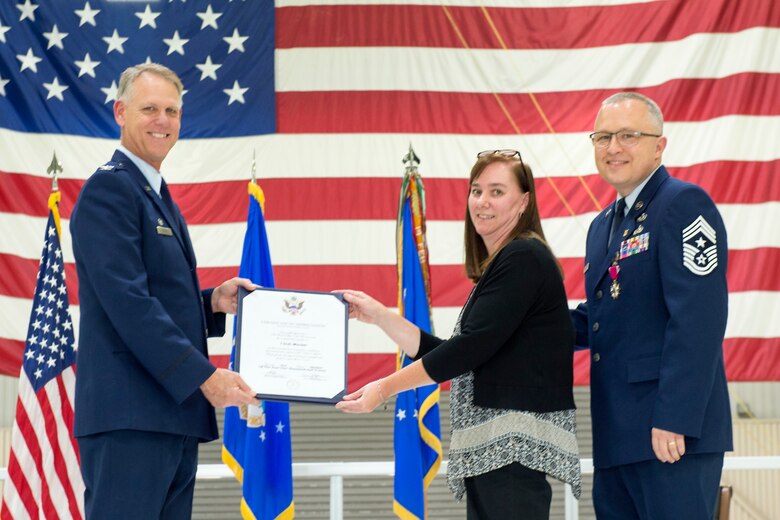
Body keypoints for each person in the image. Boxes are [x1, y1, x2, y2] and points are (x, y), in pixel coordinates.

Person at [336, 150, 581, 519]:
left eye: (497, 191)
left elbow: (466, 350)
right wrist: (381, 317)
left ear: (524, 202)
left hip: (511, 455)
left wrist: (384, 388)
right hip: (494, 457)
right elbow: (457, 354)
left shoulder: (524, 257)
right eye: (476, 190)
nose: (482, 201)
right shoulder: (505, 263)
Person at [70, 63, 259, 519]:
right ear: (120, 112)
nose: (163, 121)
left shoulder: (152, 191)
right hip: (131, 418)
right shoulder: (110, 190)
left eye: (172, 111)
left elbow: (149, 294)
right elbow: (128, 304)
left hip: (167, 415)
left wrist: (211, 303)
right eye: (149, 109)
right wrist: (204, 377)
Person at [571, 92, 732, 519]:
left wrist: (675, 417)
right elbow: (601, 317)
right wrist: (526, 324)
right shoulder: (602, 225)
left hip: (672, 435)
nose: (613, 147)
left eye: (628, 135)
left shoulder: (683, 205)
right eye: (603, 137)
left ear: (659, 146)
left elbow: (698, 319)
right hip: (617, 436)